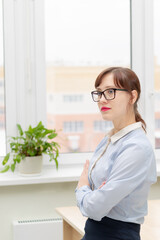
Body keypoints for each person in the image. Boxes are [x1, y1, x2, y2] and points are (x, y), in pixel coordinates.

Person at [75, 67, 157, 240]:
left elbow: (95, 207)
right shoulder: (109, 139)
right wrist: (95, 192)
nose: (102, 99)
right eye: (99, 93)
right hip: (93, 232)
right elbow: (97, 198)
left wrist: (83, 187)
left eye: (110, 91)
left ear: (132, 96)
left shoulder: (136, 148)